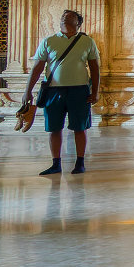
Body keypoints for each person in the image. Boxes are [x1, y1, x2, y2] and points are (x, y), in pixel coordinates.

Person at [23, 9, 100, 175]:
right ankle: (56, 163)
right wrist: (27, 91)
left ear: (78, 23)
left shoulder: (87, 42)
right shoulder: (49, 41)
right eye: (63, 16)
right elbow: (37, 68)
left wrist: (95, 91)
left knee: (80, 127)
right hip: (53, 91)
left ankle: (80, 162)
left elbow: (95, 68)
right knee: (54, 127)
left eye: (70, 16)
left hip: (80, 90)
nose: (65, 17)